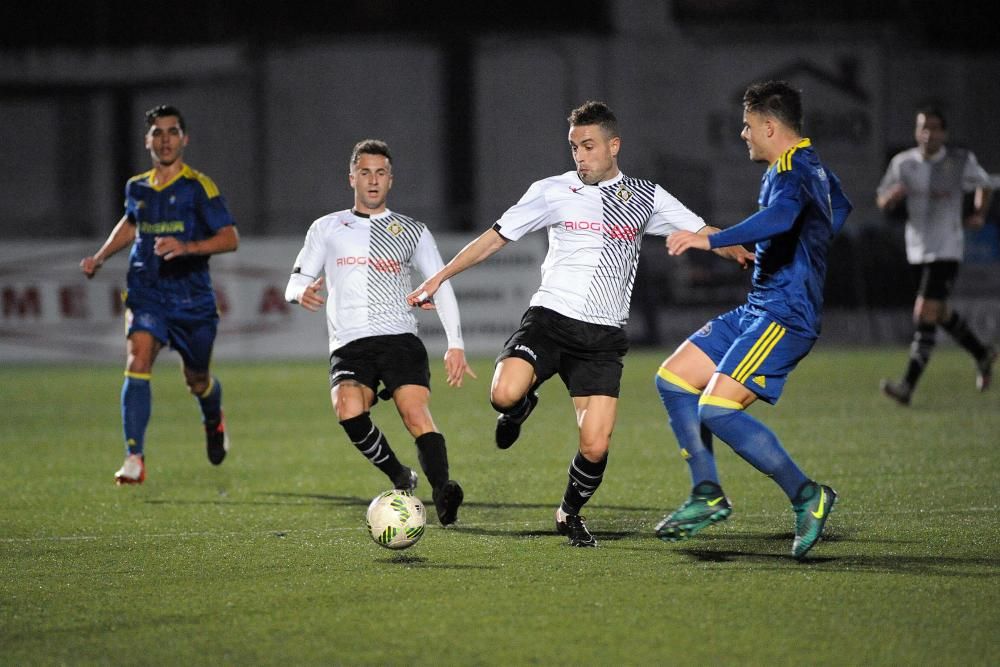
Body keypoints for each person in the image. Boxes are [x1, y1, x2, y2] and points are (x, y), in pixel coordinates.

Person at [407, 101, 752, 547]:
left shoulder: (646, 197)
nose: (580, 156)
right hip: (550, 321)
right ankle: (518, 409)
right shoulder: (552, 191)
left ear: (614, 145)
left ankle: (569, 512)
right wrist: (438, 277)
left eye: (589, 146)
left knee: (595, 446)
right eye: (574, 148)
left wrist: (740, 250)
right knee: (503, 393)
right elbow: (494, 238)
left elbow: (704, 231)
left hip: (603, 339)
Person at [654, 81, 852, 559]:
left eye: (747, 125)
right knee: (675, 379)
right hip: (760, 306)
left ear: (769, 125)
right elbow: (838, 209)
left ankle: (808, 496)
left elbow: (782, 218)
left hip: (784, 315)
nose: (743, 134)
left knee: (718, 409)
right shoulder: (812, 165)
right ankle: (707, 493)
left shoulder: (791, 169)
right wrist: (800, 249)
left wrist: (710, 240)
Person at [284, 139, 474, 525]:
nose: (373, 180)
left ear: (391, 180)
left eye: (381, 173)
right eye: (366, 172)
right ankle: (399, 475)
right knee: (348, 408)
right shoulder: (327, 227)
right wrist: (300, 292)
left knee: (414, 411)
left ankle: (443, 492)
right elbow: (295, 281)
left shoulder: (412, 231)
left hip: (399, 338)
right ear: (351, 177)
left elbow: (442, 285)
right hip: (350, 343)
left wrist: (455, 344)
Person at [80, 104, 239, 485]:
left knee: (197, 380)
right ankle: (134, 456)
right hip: (146, 291)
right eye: (157, 132)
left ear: (184, 139)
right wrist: (101, 256)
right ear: (147, 140)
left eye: (172, 132)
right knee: (138, 356)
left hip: (192, 299)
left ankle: (212, 415)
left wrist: (187, 248)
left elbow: (230, 238)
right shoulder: (137, 186)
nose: (164, 139)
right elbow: (132, 223)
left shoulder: (200, 187)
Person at [876, 106, 995, 405]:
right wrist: (889, 200)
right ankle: (983, 354)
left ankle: (907, 387)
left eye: (934, 128)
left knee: (924, 312)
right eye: (923, 128)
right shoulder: (903, 163)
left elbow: (985, 183)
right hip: (916, 249)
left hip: (947, 248)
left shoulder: (959, 161)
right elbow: (882, 198)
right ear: (916, 132)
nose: (928, 134)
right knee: (939, 312)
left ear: (944, 132)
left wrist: (979, 213)